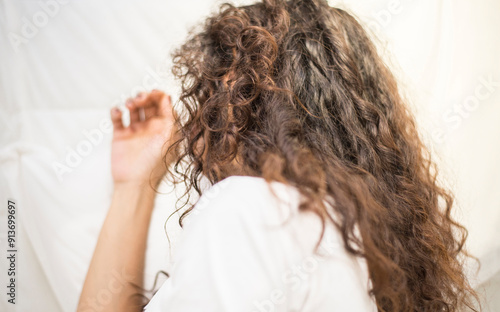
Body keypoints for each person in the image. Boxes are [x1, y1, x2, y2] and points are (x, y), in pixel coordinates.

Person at [78, 0, 478, 311]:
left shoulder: (251, 211)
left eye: (209, 91)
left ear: (248, 102)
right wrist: (133, 183)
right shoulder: (339, 231)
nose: (199, 114)